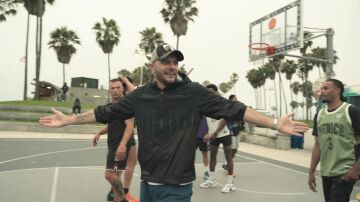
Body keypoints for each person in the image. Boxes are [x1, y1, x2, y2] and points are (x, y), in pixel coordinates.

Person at [40, 43, 308, 202]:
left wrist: (274, 122)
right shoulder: (140, 96)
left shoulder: (193, 93)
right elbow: (104, 112)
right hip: (148, 185)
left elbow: (234, 108)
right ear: (153, 64)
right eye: (166, 61)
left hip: (176, 189)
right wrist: (68, 121)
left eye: (175, 62)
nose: (172, 66)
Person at [308, 79, 360, 202]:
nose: (322, 91)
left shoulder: (351, 111)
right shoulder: (319, 115)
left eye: (326, 88)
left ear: (337, 90)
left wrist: (355, 170)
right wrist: (311, 172)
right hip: (326, 172)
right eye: (321, 89)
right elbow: (317, 146)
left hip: (344, 172)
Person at [93, 76, 139, 202]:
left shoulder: (124, 105)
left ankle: (122, 197)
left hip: (119, 146)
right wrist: (100, 132)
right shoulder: (111, 106)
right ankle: (118, 197)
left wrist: (123, 144)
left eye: (118, 88)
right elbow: (113, 124)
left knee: (111, 174)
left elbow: (129, 126)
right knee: (116, 174)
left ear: (122, 89)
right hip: (113, 145)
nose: (114, 90)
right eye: (112, 88)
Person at [200, 84, 235, 193]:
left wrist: (215, 133)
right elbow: (206, 122)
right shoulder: (205, 106)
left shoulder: (221, 104)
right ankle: (211, 180)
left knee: (228, 157)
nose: (209, 93)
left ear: (215, 92)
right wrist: (206, 133)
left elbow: (224, 120)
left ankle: (230, 184)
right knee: (213, 156)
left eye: (211, 91)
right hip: (213, 135)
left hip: (224, 133)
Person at [222, 94, 243, 171]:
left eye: (236, 98)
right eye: (234, 99)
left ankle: (227, 163)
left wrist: (241, 128)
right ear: (231, 100)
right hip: (231, 131)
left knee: (235, 149)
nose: (236, 99)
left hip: (237, 130)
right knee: (231, 149)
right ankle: (226, 164)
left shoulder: (238, 108)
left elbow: (241, 118)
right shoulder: (228, 109)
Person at [196, 114, 210, 180]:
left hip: (203, 135)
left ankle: (206, 171)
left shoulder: (206, 111)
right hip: (193, 135)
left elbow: (211, 123)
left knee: (205, 153)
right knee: (189, 154)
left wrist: (208, 133)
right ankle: (187, 170)